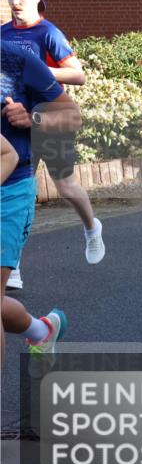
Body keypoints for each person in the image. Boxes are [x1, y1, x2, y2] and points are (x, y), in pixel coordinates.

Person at [2, 0, 104, 291]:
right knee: (20, 183)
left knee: (65, 186)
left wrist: (37, 70)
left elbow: (78, 75)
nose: (15, 2)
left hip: (49, 115)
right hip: (13, 122)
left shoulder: (48, 33)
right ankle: (12, 264)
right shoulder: (3, 34)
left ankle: (91, 227)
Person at [1, 41, 81, 366]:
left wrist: (32, 119)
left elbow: (71, 117)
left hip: (10, 191)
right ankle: (40, 330)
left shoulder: (18, 59)